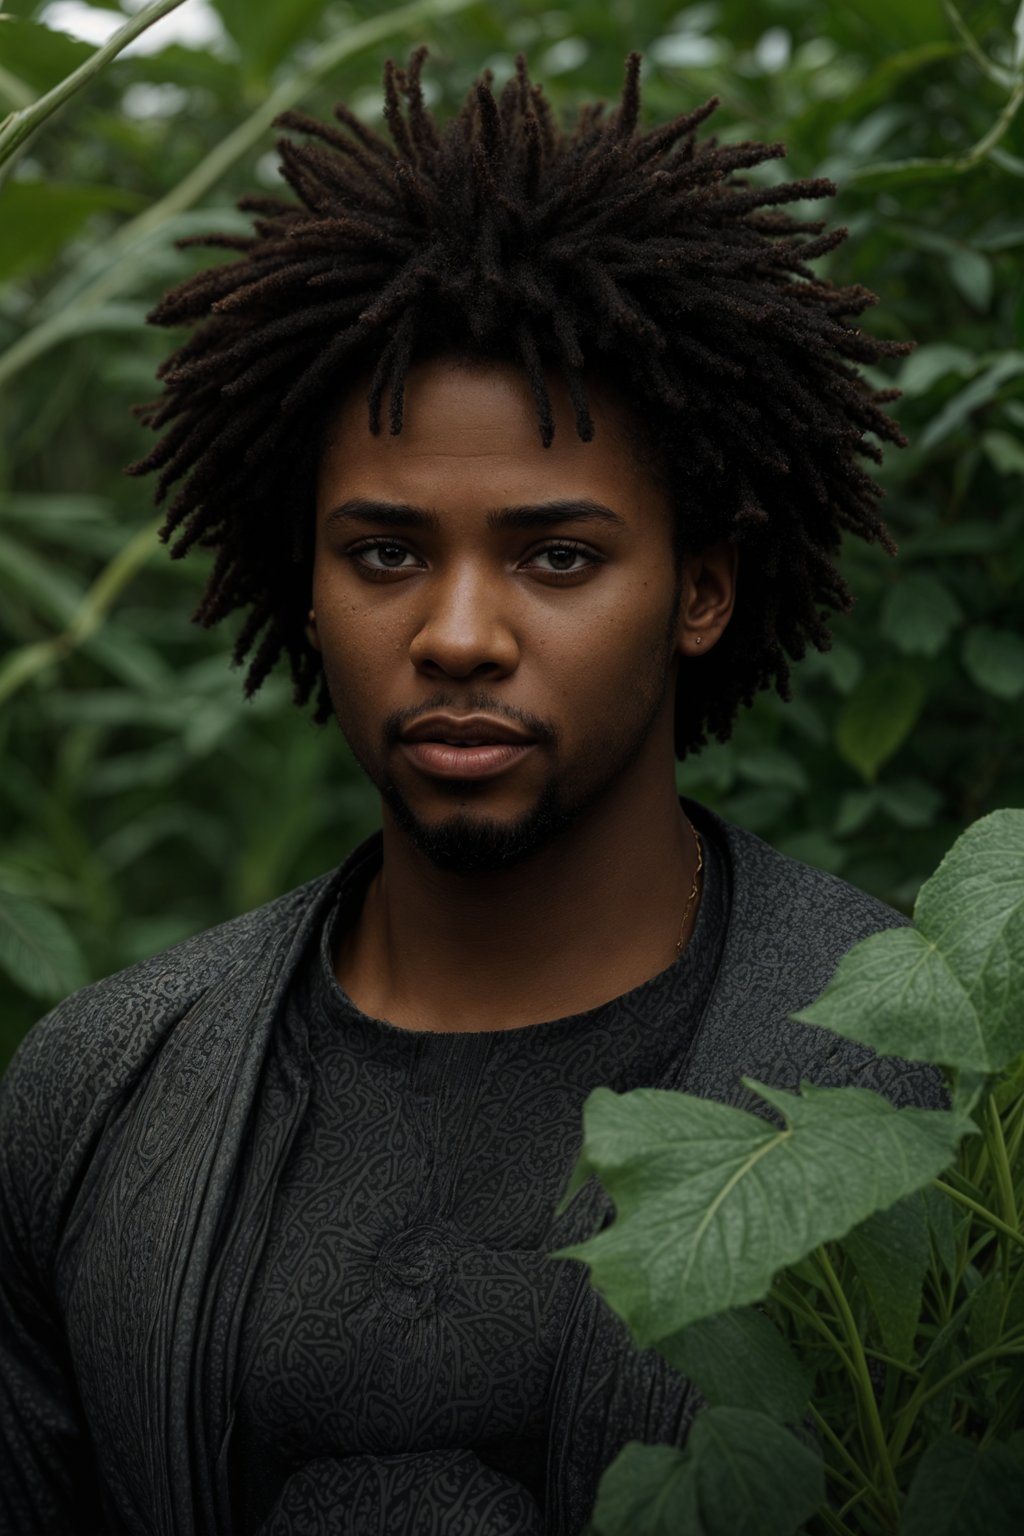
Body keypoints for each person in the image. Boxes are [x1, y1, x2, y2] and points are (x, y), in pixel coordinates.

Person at [0, 51, 941, 1536]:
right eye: (383, 554)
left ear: (701, 588)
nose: (455, 633)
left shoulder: (916, 1086)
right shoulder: (100, 1091)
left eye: (556, 556)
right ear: (299, 585)